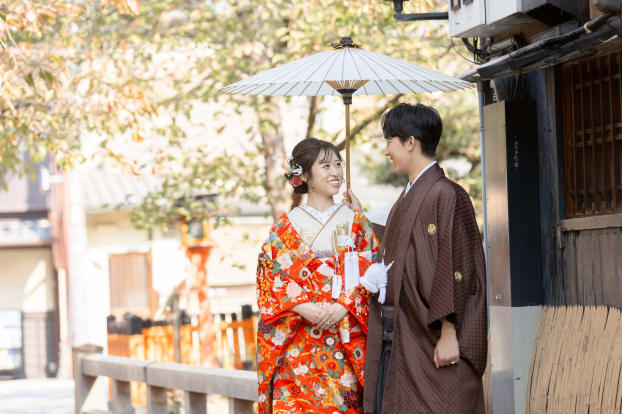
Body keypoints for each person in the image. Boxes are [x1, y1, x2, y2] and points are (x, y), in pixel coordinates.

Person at [344, 103, 488, 413]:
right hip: (406, 332)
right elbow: (397, 248)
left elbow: (457, 266)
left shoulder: (447, 194)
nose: (386, 151)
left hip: (432, 334)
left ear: (411, 142)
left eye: (390, 141)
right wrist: (360, 217)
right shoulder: (410, 193)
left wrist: (449, 331)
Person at [256, 138, 379, 413]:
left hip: (343, 343)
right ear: (305, 176)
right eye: (325, 166)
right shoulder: (286, 226)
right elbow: (269, 277)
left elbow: (372, 273)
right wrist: (303, 307)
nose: (335, 172)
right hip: (298, 343)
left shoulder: (355, 221)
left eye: (338, 164)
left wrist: (343, 305)